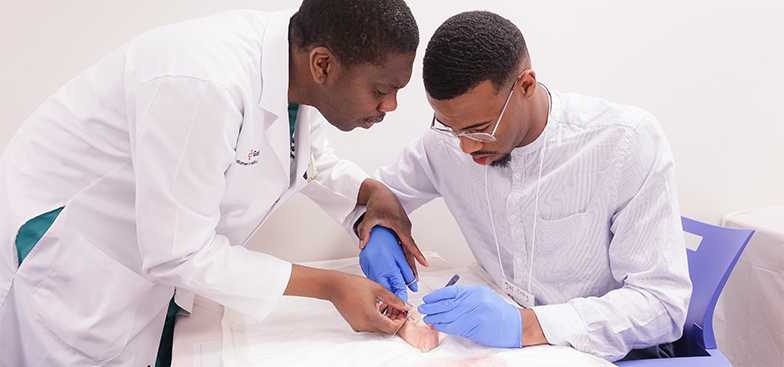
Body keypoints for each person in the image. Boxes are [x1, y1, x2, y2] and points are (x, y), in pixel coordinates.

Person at [0, 0, 427, 365]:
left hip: (144, 266)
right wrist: (332, 287)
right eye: (382, 89)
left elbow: (307, 157)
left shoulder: (298, 61)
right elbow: (179, 252)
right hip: (70, 253)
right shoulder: (205, 84)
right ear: (323, 65)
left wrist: (373, 195)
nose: (389, 105)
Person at [355, 10, 692, 362]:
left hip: (603, 354)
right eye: (452, 128)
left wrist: (526, 325)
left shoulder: (624, 143)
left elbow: (662, 306)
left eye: (479, 128)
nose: (467, 147)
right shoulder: (446, 144)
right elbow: (374, 194)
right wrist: (374, 227)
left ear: (526, 85)